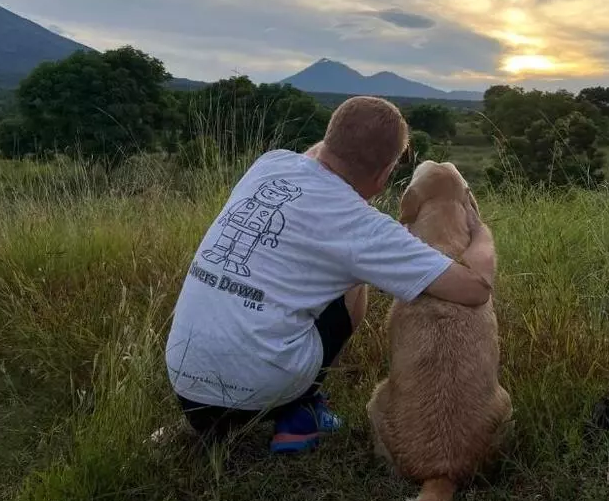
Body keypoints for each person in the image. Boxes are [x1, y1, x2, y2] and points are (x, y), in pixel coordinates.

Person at [165, 96, 495, 454]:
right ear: (385, 174)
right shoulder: (364, 228)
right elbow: (476, 288)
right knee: (355, 280)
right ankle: (303, 408)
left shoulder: (271, 163)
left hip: (186, 387)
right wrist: (480, 231)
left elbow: (319, 155)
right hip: (263, 391)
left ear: (328, 137)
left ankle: (225, 425)